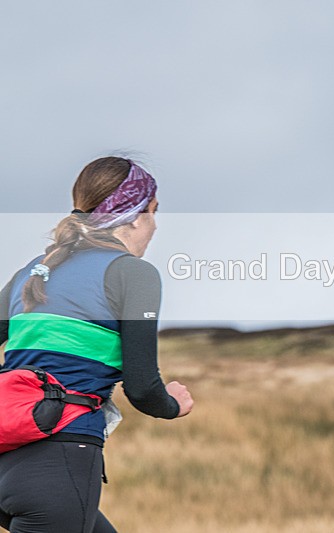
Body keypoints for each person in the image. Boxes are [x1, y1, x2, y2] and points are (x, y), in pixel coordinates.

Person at [0, 157, 194, 533]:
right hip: (58, 465)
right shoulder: (132, 273)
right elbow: (142, 387)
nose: (153, 227)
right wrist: (173, 404)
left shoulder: (34, 270)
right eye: (153, 213)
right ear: (135, 215)